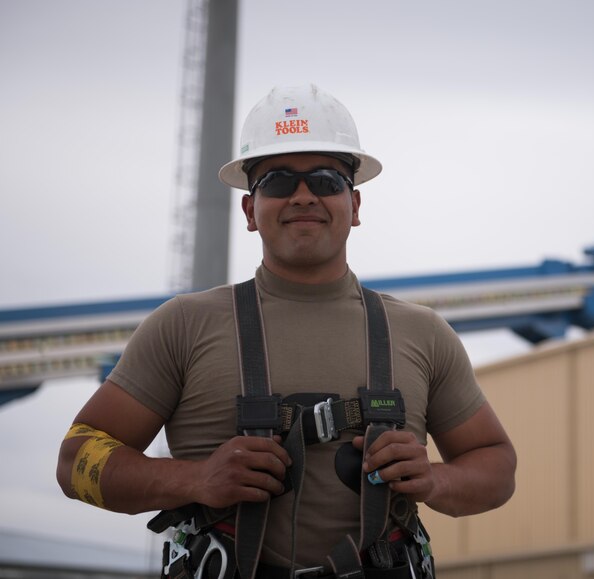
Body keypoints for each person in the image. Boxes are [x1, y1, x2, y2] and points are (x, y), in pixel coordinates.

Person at [56, 85, 517, 578]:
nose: (303, 196)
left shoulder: (422, 334)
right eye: (277, 182)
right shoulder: (183, 327)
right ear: (251, 210)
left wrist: (433, 479)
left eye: (325, 179)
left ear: (355, 206)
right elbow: (75, 459)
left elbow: (496, 466)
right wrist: (196, 478)